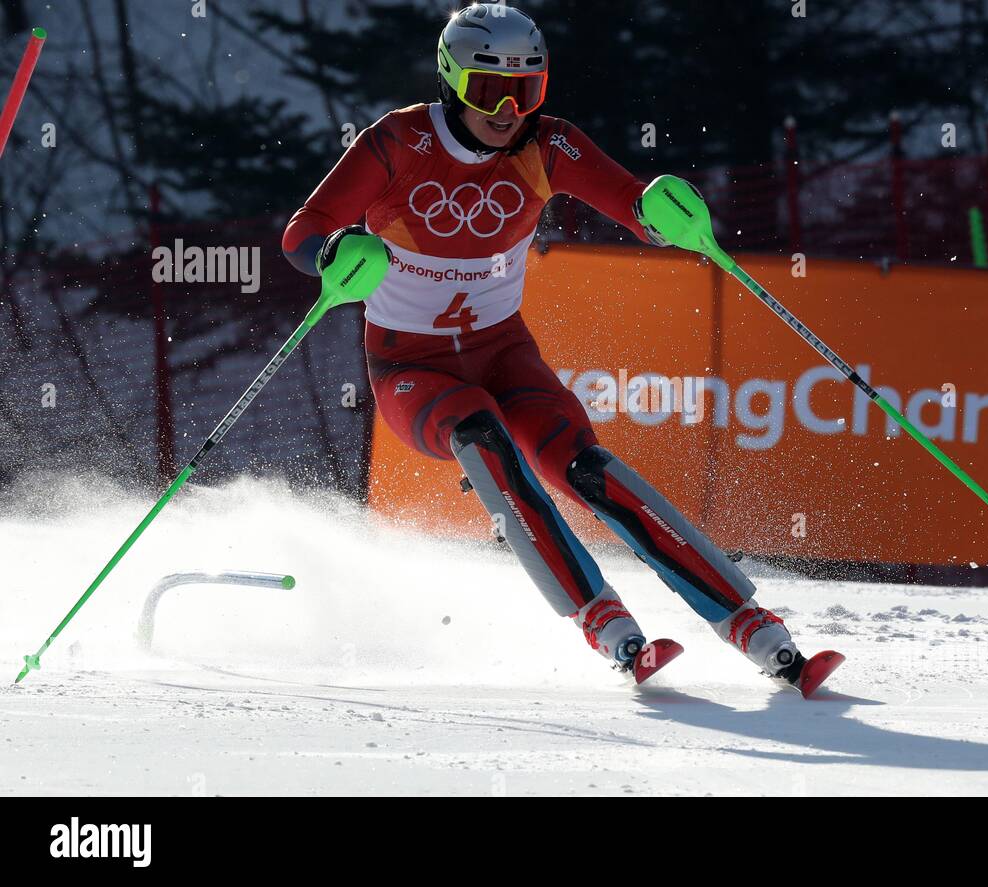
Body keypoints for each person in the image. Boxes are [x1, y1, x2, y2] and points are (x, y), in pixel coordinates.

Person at [282, 2, 841, 696]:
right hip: (410, 366)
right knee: (483, 436)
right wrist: (335, 250)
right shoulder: (396, 143)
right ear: (454, 81)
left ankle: (751, 623)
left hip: (502, 351)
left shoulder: (548, 146)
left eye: (530, 90)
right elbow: (304, 230)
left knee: (583, 465)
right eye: (491, 90)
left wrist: (665, 212)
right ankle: (601, 617)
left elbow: (633, 204)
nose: (510, 109)